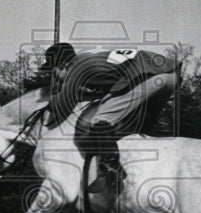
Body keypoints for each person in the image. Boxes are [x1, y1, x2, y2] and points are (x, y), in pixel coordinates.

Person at [40, 41, 180, 192]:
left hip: (150, 77)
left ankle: (112, 171)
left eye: (53, 72)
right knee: (144, 124)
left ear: (64, 65)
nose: (55, 78)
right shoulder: (90, 59)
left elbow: (64, 103)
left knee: (100, 120)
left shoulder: (76, 68)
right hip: (170, 75)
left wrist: (49, 104)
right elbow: (114, 87)